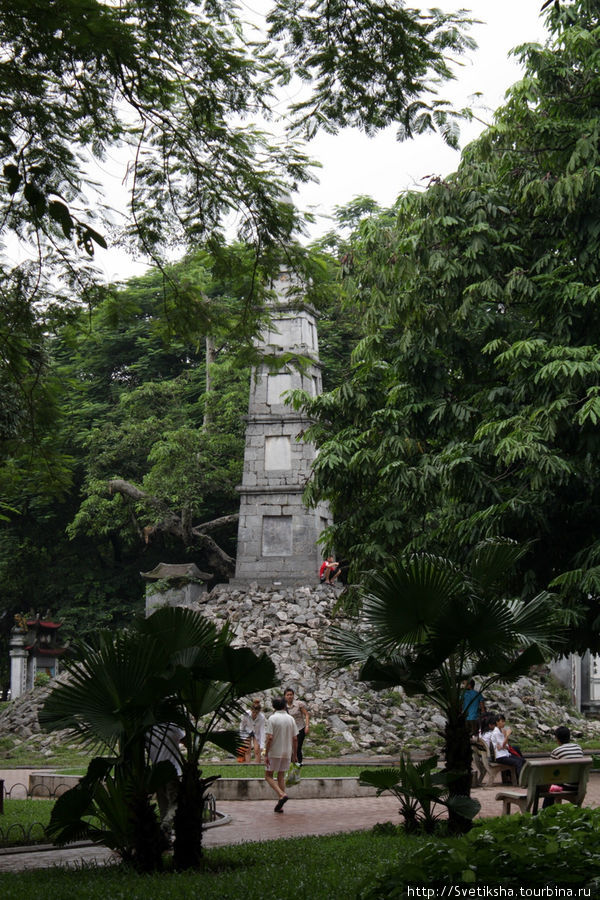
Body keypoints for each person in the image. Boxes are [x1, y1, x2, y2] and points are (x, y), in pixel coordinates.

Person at [147, 723, 185, 839]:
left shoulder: (148, 730)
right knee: (176, 803)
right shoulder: (173, 727)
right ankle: (166, 824)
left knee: (163, 806)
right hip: (173, 772)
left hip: (157, 774)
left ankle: (165, 838)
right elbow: (186, 741)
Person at [264, 695, 298, 812]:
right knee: (281, 776)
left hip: (274, 751)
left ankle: (281, 794)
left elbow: (269, 737)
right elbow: (295, 738)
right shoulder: (291, 719)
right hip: (287, 752)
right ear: (285, 705)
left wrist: (266, 754)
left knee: (268, 776)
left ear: (273, 706)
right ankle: (280, 804)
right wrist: (294, 754)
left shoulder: (272, 719)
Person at [542, 725, 584, 808]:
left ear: (557, 738)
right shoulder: (578, 748)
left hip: (567, 786)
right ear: (569, 737)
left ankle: (544, 811)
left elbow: (550, 772)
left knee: (550, 785)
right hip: (579, 785)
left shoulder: (556, 751)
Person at [490, 713, 525, 780]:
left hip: (506, 754)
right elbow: (503, 745)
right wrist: (507, 735)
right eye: (502, 721)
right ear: (497, 722)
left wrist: (504, 741)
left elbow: (505, 746)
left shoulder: (501, 731)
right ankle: (521, 781)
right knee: (518, 762)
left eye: (504, 721)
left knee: (522, 760)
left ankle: (519, 778)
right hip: (500, 756)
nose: (504, 723)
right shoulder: (496, 732)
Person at [284, 687, 310, 765]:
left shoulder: (299, 704)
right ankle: (290, 763)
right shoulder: (283, 706)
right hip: (288, 729)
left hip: (300, 727)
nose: (289, 696)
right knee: (289, 747)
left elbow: (306, 714)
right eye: (288, 695)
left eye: (291, 695)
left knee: (298, 747)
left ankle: (299, 762)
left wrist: (307, 726)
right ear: (285, 696)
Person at [239, 698, 266, 763]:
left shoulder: (262, 717)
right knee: (247, 749)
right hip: (247, 731)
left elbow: (262, 730)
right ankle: (248, 764)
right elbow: (242, 726)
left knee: (257, 749)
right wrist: (242, 737)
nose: (255, 714)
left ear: (259, 711)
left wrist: (262, 744)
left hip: (256, 732)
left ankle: (257, 764)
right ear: (251, 710)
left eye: (256, 712)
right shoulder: (246, 715)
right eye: (253, 712)